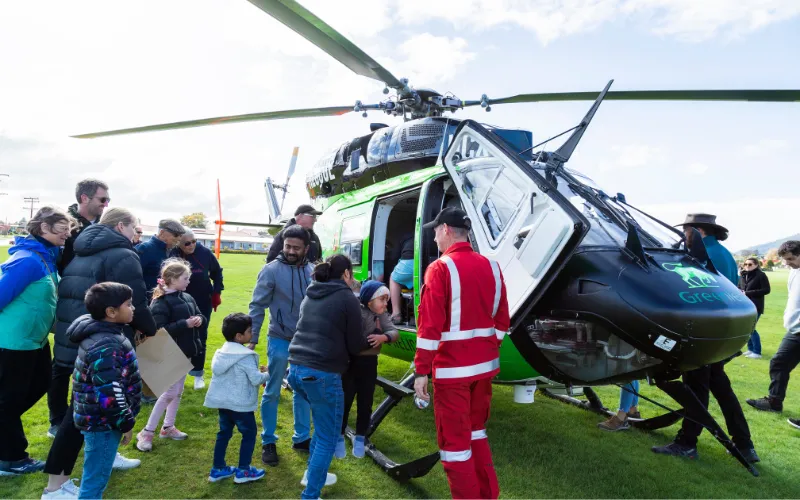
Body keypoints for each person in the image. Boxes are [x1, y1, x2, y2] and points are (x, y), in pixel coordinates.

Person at [45, 208, 154, 493]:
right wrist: (149, 327)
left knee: (80, 406)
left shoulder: (82, 246)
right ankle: (56, 485)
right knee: (78, 415)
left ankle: (103, 456)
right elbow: (136, 298)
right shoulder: (122, 252)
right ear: (121, 227)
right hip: (102, 338)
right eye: (134, 228)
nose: (135, 234)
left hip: (80, 332)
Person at [413, 207, 510, 500]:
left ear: (445, 230)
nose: (432, 237)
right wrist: (486, 349)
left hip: (452, 373)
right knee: (477, 433)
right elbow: (502, 321)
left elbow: (429, 327)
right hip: (483, 370)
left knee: (454, 447)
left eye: (434, 231)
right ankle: (488, 495)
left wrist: (421, 371)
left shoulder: (441, 268)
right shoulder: (492, 266)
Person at [652, 213, 758, 463]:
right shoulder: (725, 254)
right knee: (721, 389)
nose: (684, 237)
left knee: (695, 389)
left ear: (698, 231)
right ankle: (745, 444)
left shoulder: (701, 255)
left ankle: (687, 443)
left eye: (686, 231)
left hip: (704, 335)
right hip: (723, 333)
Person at [0, 207, 72, 476]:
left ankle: (5, 435)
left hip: (36, 341)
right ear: (44, 229)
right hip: (14, 342)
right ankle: (11, 458)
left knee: (40, 385)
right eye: (62, 229)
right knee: (8, 400)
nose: (67, 234)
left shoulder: (46, 258)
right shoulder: (27, 260)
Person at [288, 254, 367, 499]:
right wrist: (376, 340)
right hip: (322, 373)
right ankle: (311, 494)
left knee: (321, 428)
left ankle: (312, 474)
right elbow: (355, 345)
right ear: (346, 274)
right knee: (327, 437)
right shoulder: (346, 297)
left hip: (296, 369)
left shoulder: (312, 292)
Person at [68, 283, 142, 499]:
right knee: (95, 480)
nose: (133, 308)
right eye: (128, 304)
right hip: (103, 424)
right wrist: (126, 422)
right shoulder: (106, 344)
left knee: (95, 474)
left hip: (98, 420)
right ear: (111, 312)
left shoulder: (102, 334)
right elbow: (110, 394)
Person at [248, 225, 313, 466]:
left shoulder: (313, 271)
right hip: (279, 338)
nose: (291, 251)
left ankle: (302, 438)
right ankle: (268, 441)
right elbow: (256, 305)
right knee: (272, 389)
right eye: (287, 246)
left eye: (296, 248)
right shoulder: (271, 271)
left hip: (306, 342)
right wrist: (253, 337)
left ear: (306, 248)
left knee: (302, 389)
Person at [136, 258, 205, 452]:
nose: (188, 281)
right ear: (173, 279)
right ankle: (147, 432)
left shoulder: (187, 297)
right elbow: (157, 330)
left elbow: (201, 315)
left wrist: (199, 319)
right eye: (185, 278)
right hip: (169, 353)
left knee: (177, 392)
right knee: (169, 393)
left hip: (186, 352)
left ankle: (168, 427)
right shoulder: (160, 302)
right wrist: (185, 324)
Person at [335, 280, 398, 459]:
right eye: (383, 299)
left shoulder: (382, 314)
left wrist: (383, 337)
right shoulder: (356, 311)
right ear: (370, 300)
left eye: (387, 300)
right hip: (350, 363)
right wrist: (370, 345)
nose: (386, 304)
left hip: (369, 364)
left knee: (365, 402)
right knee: (345, 401)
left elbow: (394, 332)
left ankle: (361, 437)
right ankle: (339, 437)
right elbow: (354, 341)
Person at [204, 313, 267, 484]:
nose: (252, 332)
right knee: (249, 433)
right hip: (241, 405)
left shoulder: (220, 353)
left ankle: (218, 468)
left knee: (224, 433)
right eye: (249, 330)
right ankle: (243, 471)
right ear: (239, 336)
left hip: (223, 404)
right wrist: (268, 374)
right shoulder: (245, 356)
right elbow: (255, 379)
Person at [746, 240, 800, 418]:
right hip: (794, 331)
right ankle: (774, 402)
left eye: (791, 258)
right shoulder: (794, 271)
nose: (787, 263)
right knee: (779, 363)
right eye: (785, 259)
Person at [172, 228, 224, 390]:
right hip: (177, 301)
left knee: (200, 336)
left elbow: (217, 273)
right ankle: (174, 375)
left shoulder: (205, 253)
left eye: (194, 241)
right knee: (177, 335)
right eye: (187, 243)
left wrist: (216, 292)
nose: (192, 245)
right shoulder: (173, 254)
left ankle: (198, 374)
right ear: (179, 243)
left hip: (202, 301)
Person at [59, 179, 109, 273]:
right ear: (84, 198)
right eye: (103, 200)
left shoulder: (108, 226)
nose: (106, 204)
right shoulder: (62, 225)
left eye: (108, 200)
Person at [136, 219, 185, 299]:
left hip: (167, 301)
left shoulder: (173, 251)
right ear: (162, 232)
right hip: (149, 301)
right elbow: (134, 279)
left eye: (180, 236)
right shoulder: (144, 249)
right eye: (176, 234)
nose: (178, 239)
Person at [738, 257, 771, 359]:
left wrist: (747, 293)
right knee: (746, 328)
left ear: (756, 265)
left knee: (751, 328)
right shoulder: (743, 275)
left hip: (756, 306)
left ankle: (757, 352)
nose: (747, 266)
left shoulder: (761, 275)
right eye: (746, 264)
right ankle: (750, 349)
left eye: (750, 264)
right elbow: (739, 287)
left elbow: (766, 290)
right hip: (744, 306)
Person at [389, 233, 414, 324]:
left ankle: (396, 314)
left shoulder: (406, 237)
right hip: (428, 260)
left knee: (394, 279)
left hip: (409, 259)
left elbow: (394, 256)